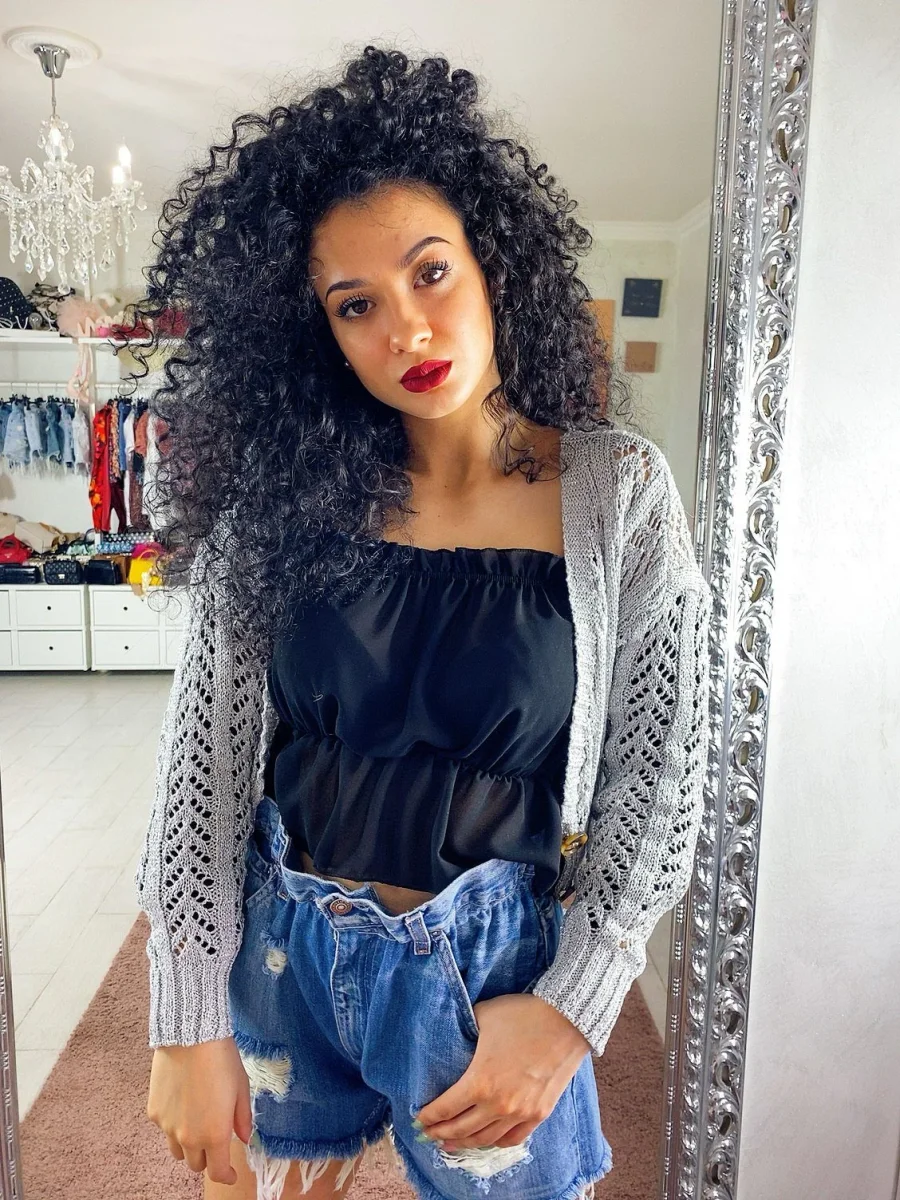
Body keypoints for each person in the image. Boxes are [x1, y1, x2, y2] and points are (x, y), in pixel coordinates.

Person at [133, 44, 712, 1200]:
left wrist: (573, 1007)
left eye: (429, 272)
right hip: (285, 954)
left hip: (493, 980)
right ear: (320, 334)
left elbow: (662, 781)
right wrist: (184, 1017)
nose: (405, 328)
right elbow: (201, 772)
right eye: (356, 305)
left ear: (493, 261)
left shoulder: (618, 496)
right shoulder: (276, 509)